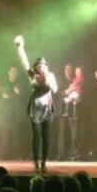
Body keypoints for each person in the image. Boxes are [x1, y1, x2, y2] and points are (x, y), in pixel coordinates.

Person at [14, 36, 58, 172]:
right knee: (36, 136)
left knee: (46, 136)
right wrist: (20, 48)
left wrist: (48, 79)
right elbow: (24, 62)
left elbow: (55, 89)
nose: (40, 67)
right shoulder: (33, 76)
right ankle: (36, 163)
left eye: (42, 65)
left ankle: (44, 162)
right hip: (35, 110)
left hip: (47, 109)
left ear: (45, 66)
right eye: (38, 65)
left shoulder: (50, 76)